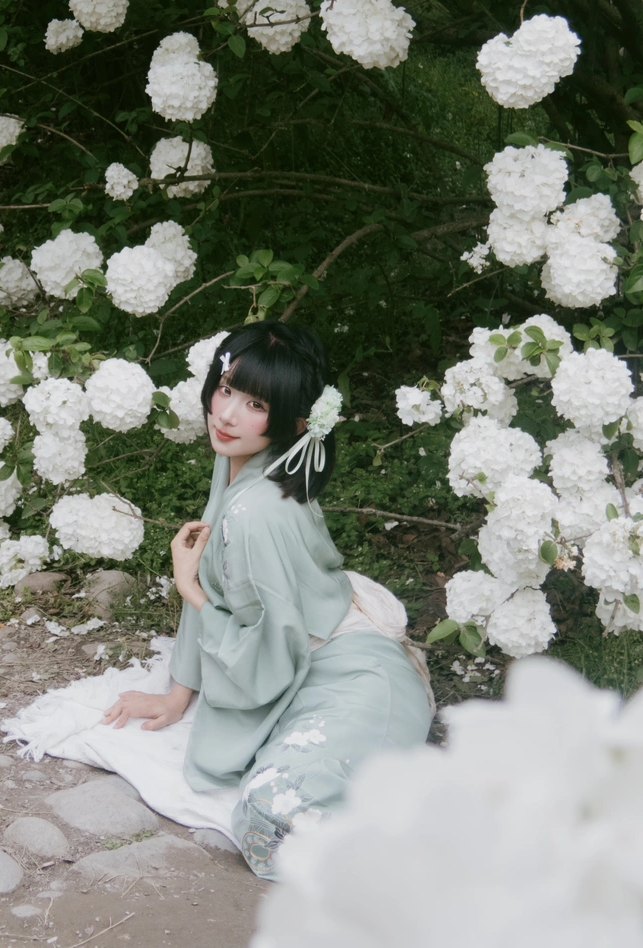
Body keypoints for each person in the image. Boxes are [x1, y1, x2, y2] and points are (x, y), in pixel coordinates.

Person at [101, 321, 433, 880]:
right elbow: (242, 614)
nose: (227, 415)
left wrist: (189, 587)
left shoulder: (257, 510)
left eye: (255, 404)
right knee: (278, 825)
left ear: (296, 423)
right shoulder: (243, 469)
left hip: (360, 683)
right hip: (313, 660)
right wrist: (179, 694)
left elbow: (270, 651)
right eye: (226, 389)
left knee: (273, 823)